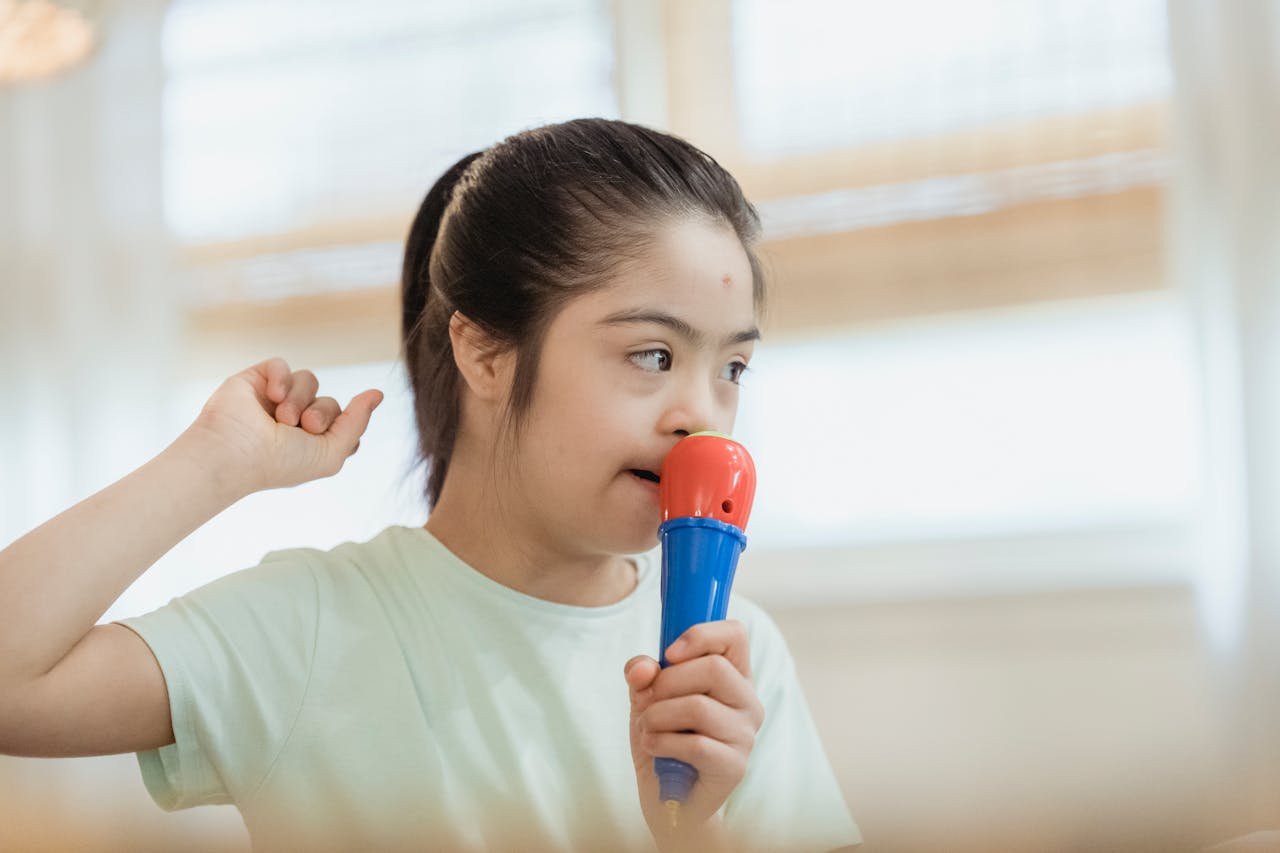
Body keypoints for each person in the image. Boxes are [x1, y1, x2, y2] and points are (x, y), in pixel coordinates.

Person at [0, 118, 861, 853]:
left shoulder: (737, 662)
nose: (702, 417)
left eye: (734, 366)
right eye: (653, 354)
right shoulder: (308, 628)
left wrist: (694, 831)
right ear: (485, 351)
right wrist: (210, 465)